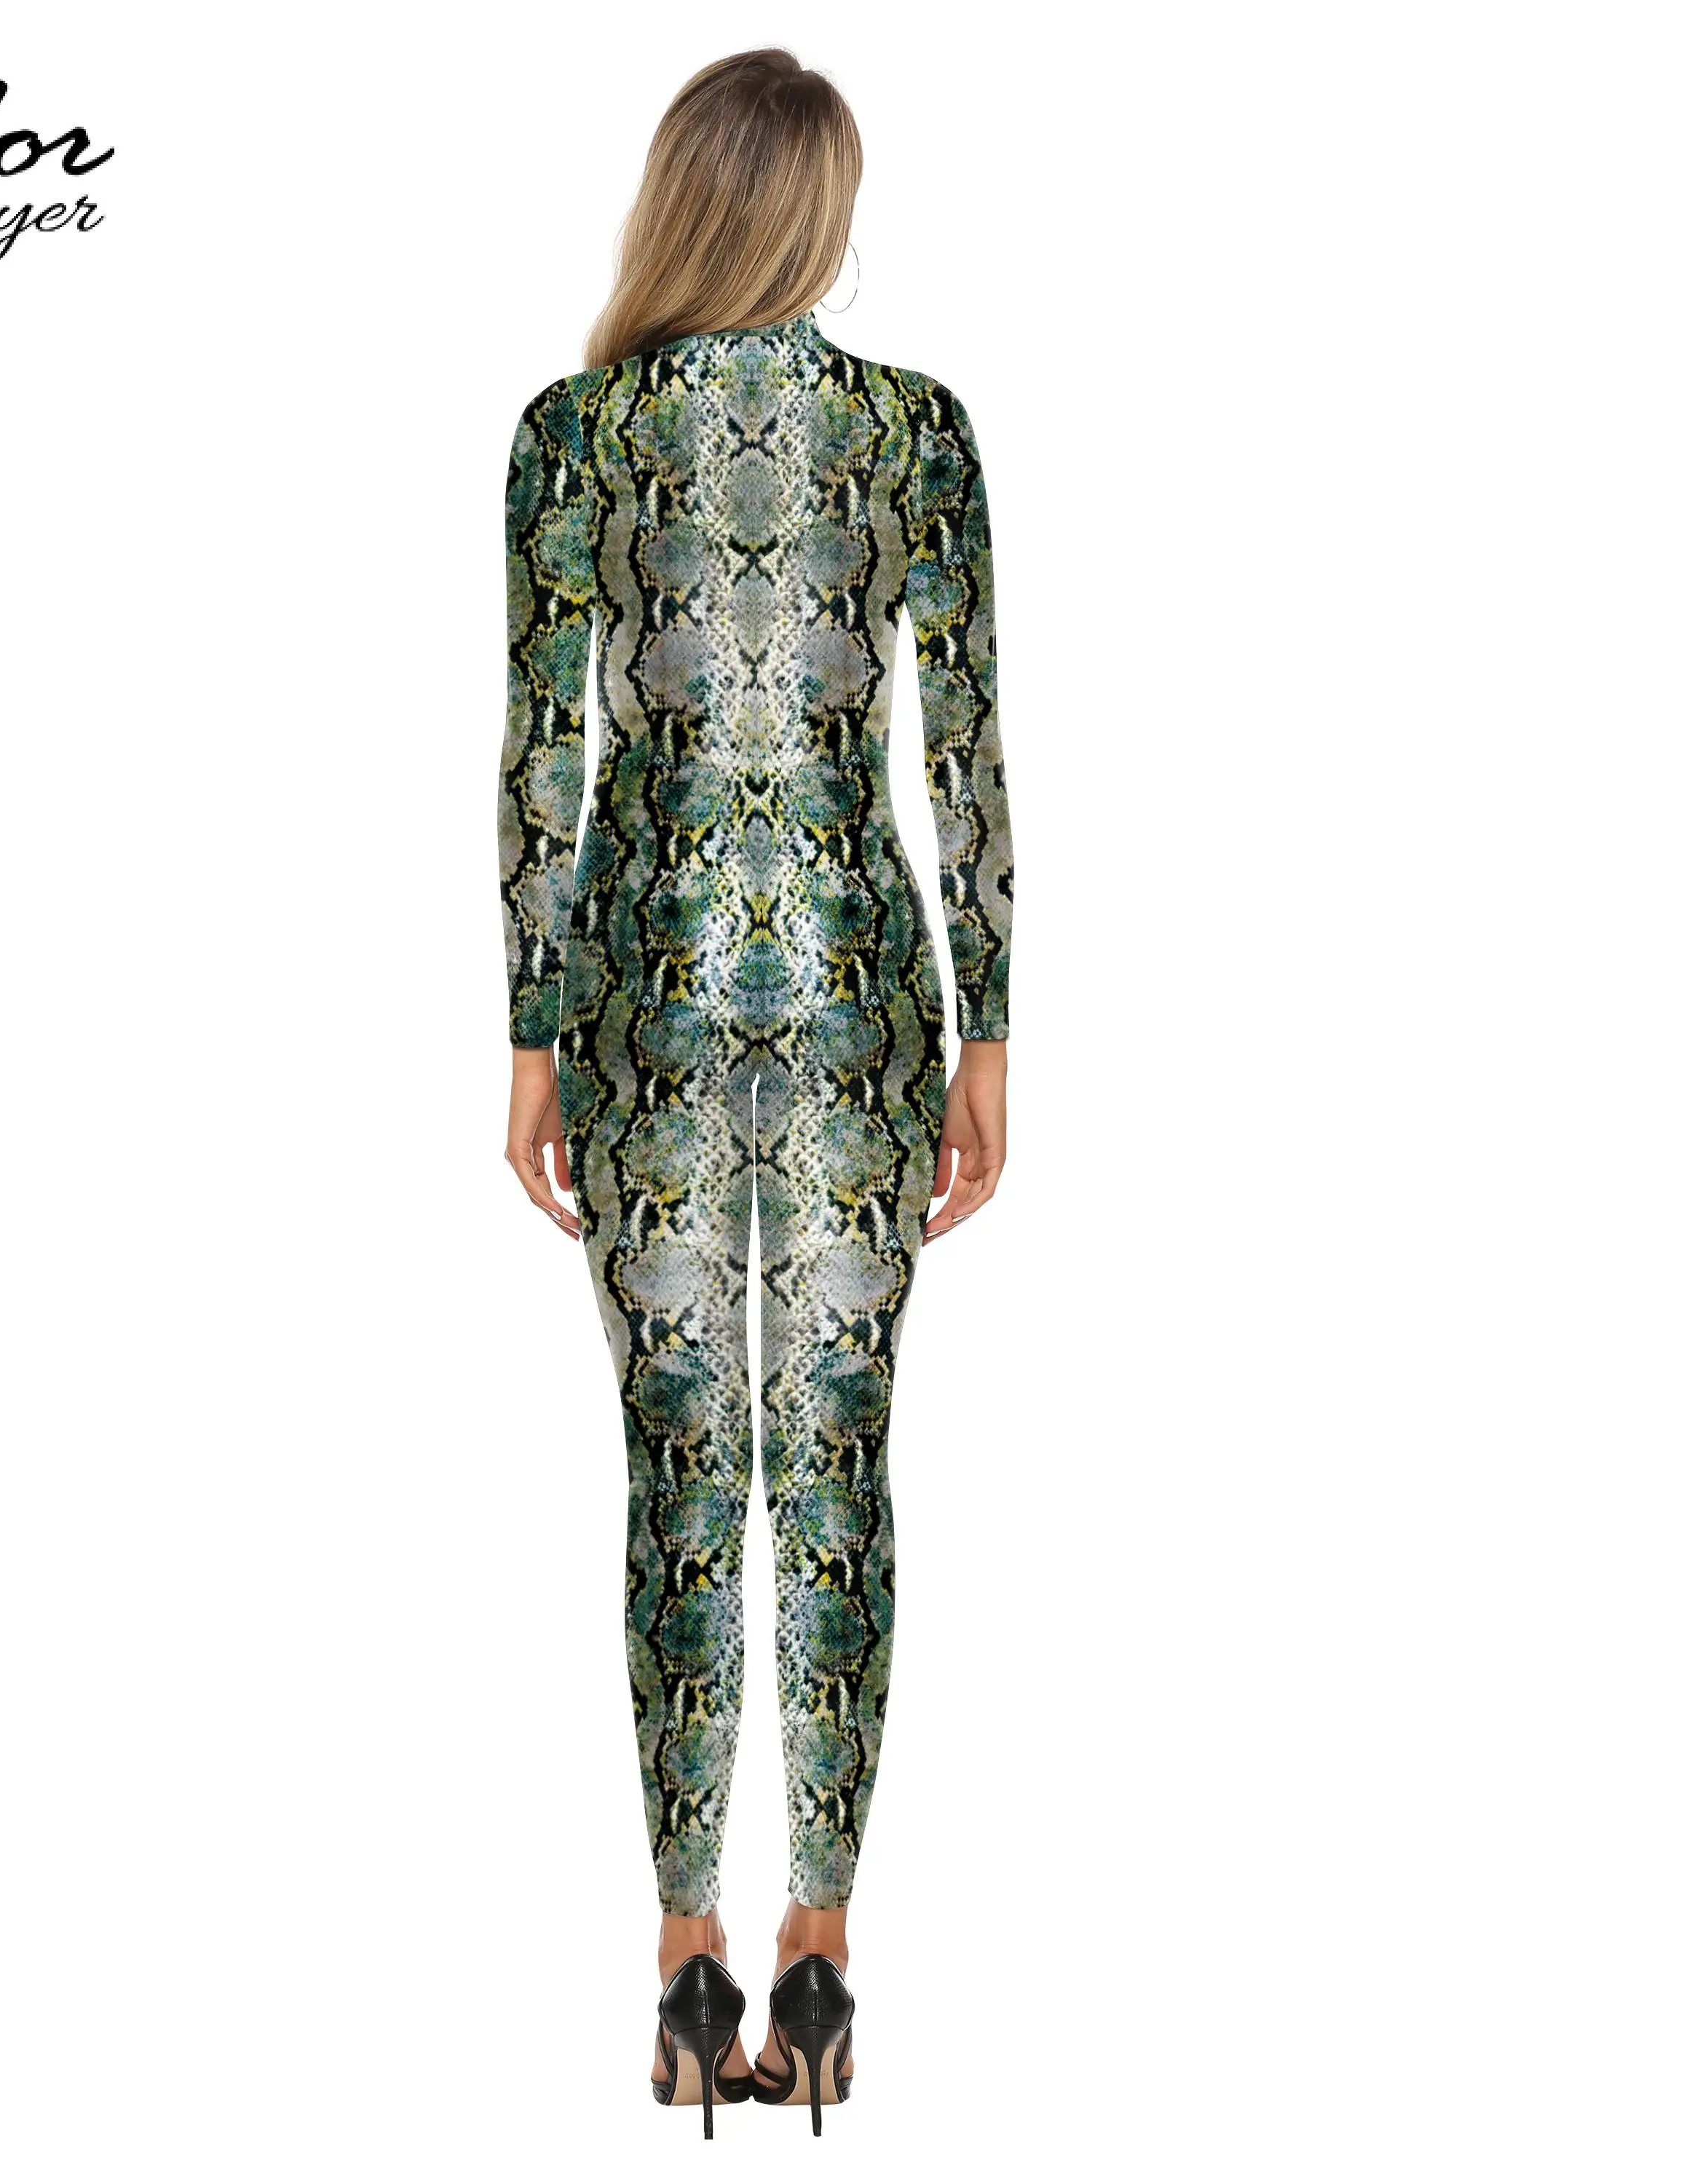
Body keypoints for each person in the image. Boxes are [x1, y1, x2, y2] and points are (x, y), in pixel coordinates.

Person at [495, 47, 1014, 2136]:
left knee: (683, 1471)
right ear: (823, 209)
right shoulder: (914, 434)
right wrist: (990, 1032)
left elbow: (543, 761)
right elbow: (965, 757)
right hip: (861, 994)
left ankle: (684, 1962)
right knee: (836, 1463)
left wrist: (532, 1033)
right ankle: (822, 1951)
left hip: (642, 991)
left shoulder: (575, 437)